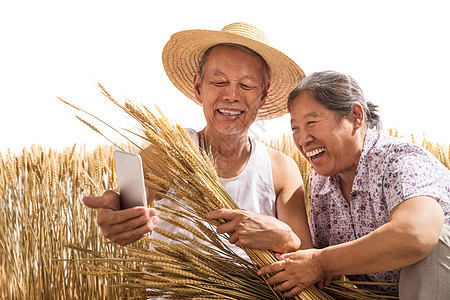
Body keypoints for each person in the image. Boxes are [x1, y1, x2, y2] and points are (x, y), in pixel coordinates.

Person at [82, 22, 313, 258]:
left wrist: (287, 238)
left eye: (246, 85)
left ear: (263, 94)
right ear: (198, 86)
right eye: (219, 82)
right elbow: (128, 206)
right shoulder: (169, 154)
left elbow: (309, 263)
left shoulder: (282, 171)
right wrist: (119, 216)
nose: (232, 96)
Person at [257, 71, 450, 299]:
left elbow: (416, 235)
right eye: (295, 128)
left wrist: (321, 263)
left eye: (312, 123)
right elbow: (324, 270)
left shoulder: (400, 160)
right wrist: (282, 239)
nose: (303, 139)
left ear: (356, 117)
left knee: (438, 239)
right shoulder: (320, 184)